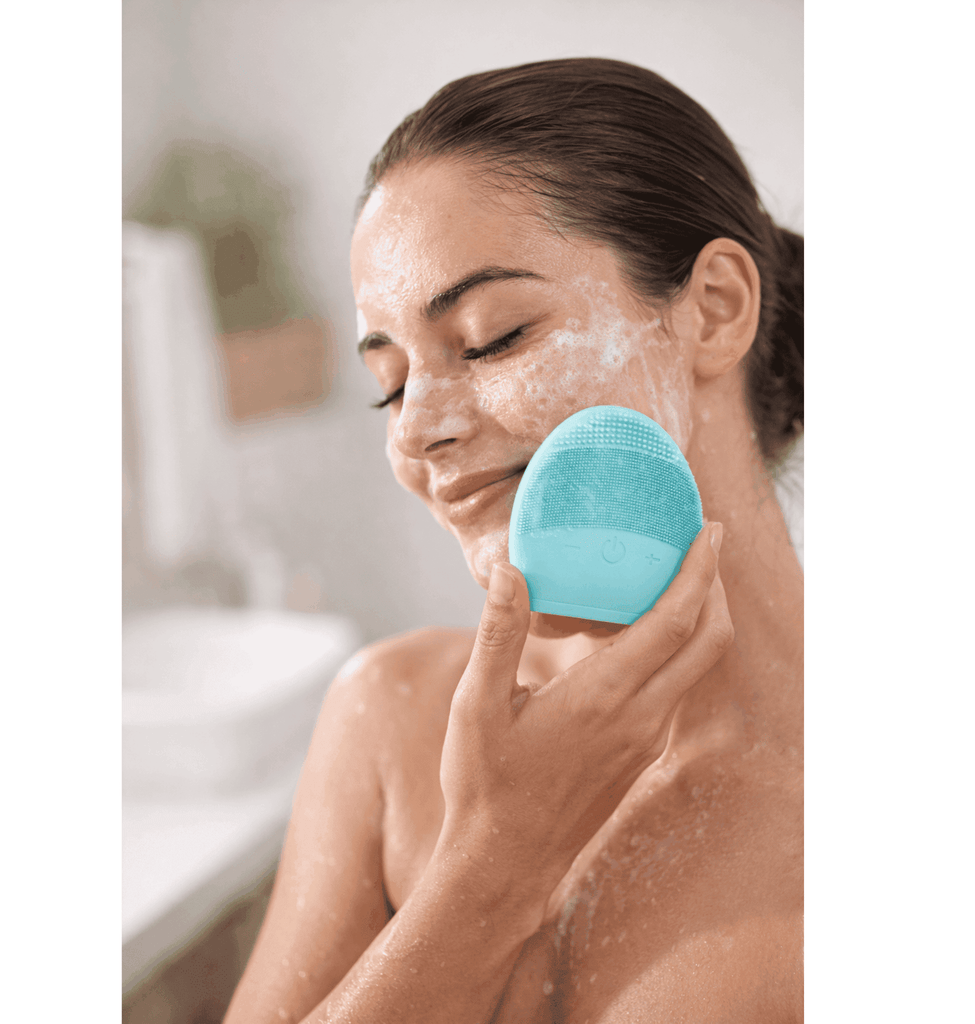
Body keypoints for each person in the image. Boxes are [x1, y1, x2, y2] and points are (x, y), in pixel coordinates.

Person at [225, 57, 803, 1023]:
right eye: (392, 380)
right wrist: (494, 864)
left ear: (714, 309)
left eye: (492, 338)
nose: (413, 429)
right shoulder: (387, 722)